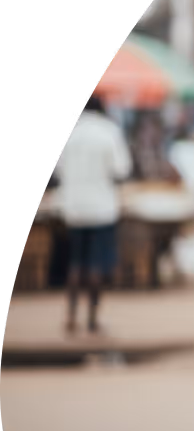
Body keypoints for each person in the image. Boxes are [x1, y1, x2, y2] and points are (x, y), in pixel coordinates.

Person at [51, 94, 132, 334]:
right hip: (101, 208)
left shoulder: (71, 133)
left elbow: (59, 169)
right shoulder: (109, 131)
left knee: (76, 262)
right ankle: (92, 320)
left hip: (73, 206)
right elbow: (121, 169)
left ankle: (71, 317)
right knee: (97, 263)